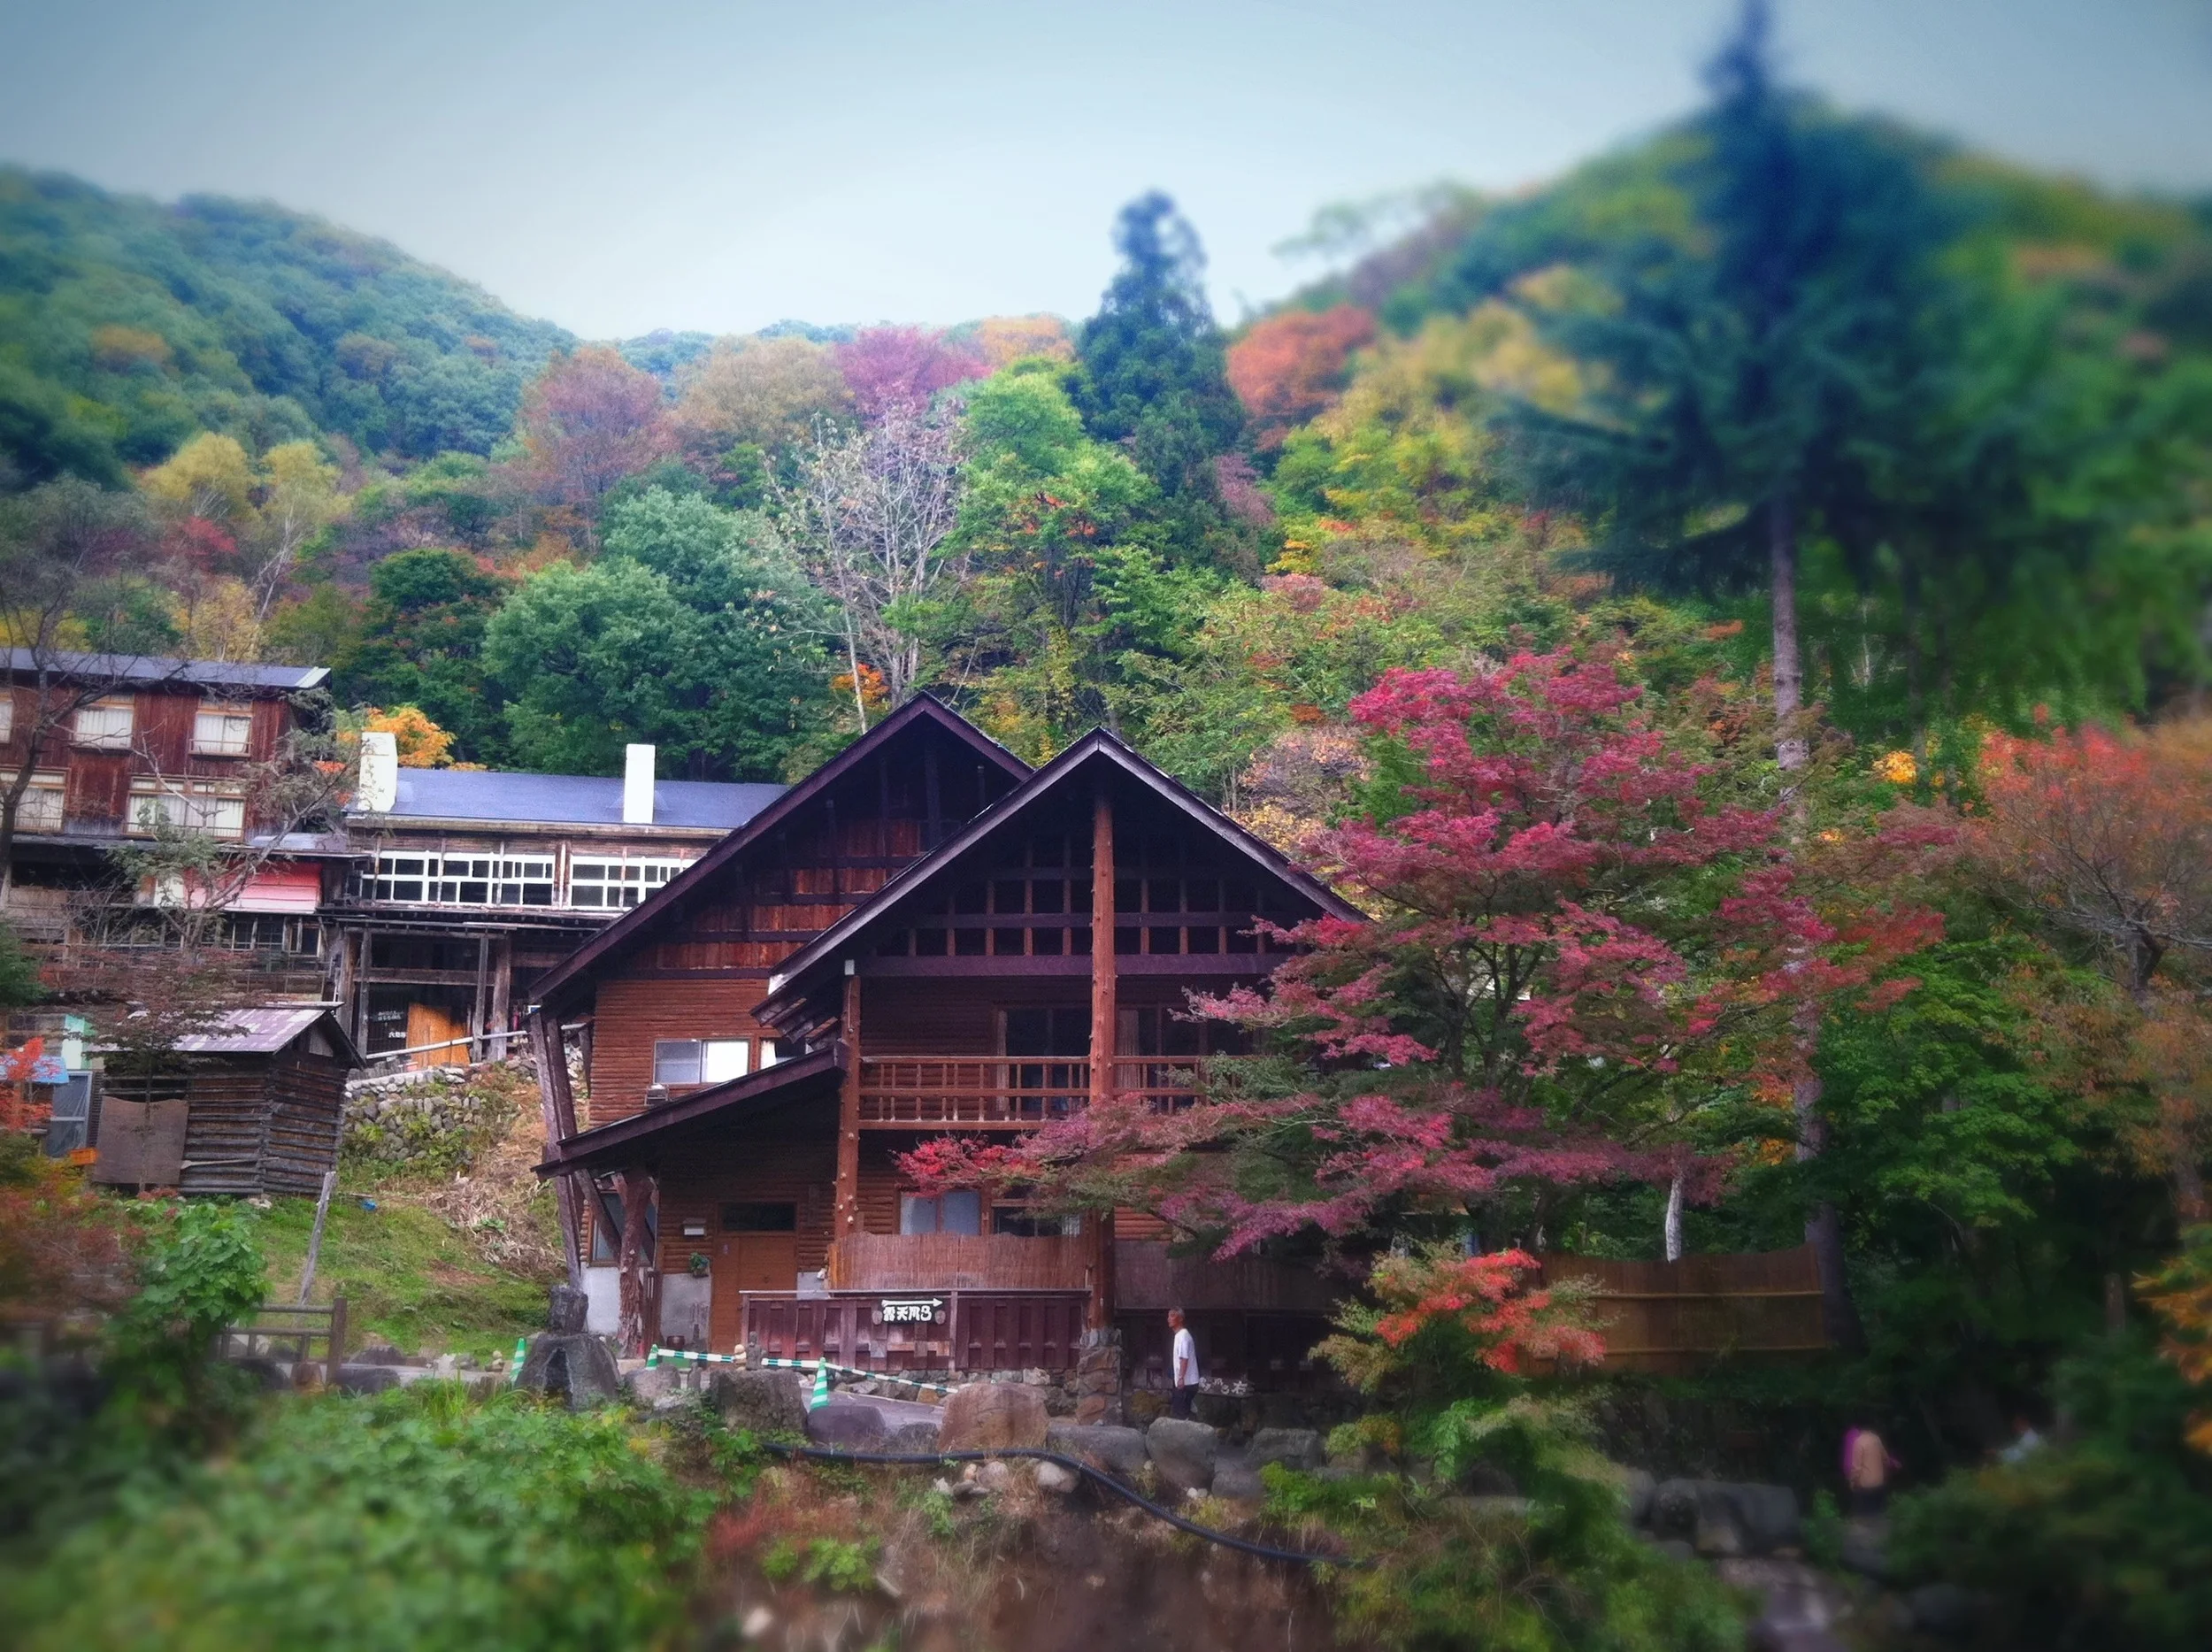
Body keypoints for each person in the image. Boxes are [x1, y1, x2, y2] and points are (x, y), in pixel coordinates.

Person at [1843, 1421, 1900, 1517]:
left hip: (1865, 1486)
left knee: (1865, 1514)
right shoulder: (1876, 1439)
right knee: (1879, 1513)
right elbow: (1885, 1459)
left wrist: (1852, 1482)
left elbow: (1856, 1468)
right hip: (1879, 1483)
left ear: (1860, 1430)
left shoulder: (1858, 1442)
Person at [1167, 1307, 1200, 1419]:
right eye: (1169, 1316)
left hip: (1186, 1383)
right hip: (1185, 1382)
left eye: (1172, 1316)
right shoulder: (1180, 1335)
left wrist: (1181, 1378)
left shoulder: (1183, 1336)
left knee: (1180, 1413)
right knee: (1181, 1411)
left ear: (1180, 1319)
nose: (1169, 1319)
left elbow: (1184, 1358)